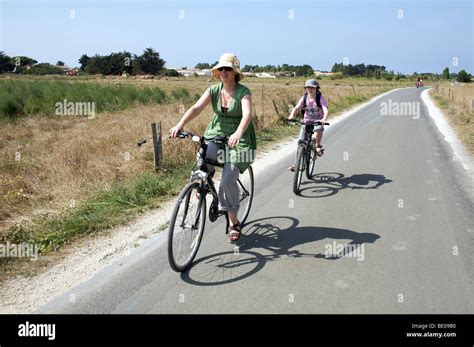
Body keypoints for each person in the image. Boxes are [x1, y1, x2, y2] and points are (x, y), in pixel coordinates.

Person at [169, 53, 256, 242]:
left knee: (227, 180)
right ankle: (203, 184)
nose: (223, 72)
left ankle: (233, 221)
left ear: (234, 72)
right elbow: (195, 108)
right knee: (202, 160)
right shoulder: (214, 90)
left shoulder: (244, 92)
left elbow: (247, 114)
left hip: (239, 139)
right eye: (221, 69)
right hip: (215, 133)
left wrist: (239, 132)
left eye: (228, 69)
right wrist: (180, 125)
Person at [287, 79, 329, 171]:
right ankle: (296, 164)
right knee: (300, 142)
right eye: (308, 87)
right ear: (305, 88)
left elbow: (325, 109)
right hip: (307, 120)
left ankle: (318, 146)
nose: (310, 89)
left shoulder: (319, 98)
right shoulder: (304, 98)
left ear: (316, 89)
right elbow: (297, 107)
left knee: (319, 129)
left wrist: (323, 119)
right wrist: (291, 115)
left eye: (312, 88)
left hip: (318, 120)